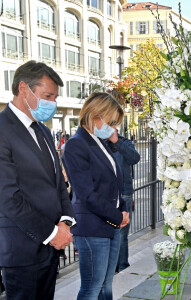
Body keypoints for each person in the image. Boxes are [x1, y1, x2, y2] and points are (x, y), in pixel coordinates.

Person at [0, 60, 75, 300]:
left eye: (55, 97)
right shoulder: (2, 129)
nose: (53, 103)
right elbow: (8, 197)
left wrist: (65, 222)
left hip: (50, 248)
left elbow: (57, 182)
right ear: (24, 89)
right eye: (48, 95)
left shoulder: (41, 129)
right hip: (22, 249)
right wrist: (52, 234)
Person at [62, 92, 130, 300]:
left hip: (110, 224)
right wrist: (118, 217)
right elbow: (86, 194)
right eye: (111, 122)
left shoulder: (100, 142)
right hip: (93, 226)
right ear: (95, 115)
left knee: (106, 286)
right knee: (92, 288)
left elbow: (113, 184)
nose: (114, 128)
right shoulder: (76, 144)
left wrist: (123, 208)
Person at [106, 132, 140, 272]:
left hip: (123, 193)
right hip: (105, 195)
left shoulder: (124, 142)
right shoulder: (97, 142)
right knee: (107, 232)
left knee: (121, 233)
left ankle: (122, 266)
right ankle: (110, 266)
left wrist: (117, 142)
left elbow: (134, 158)